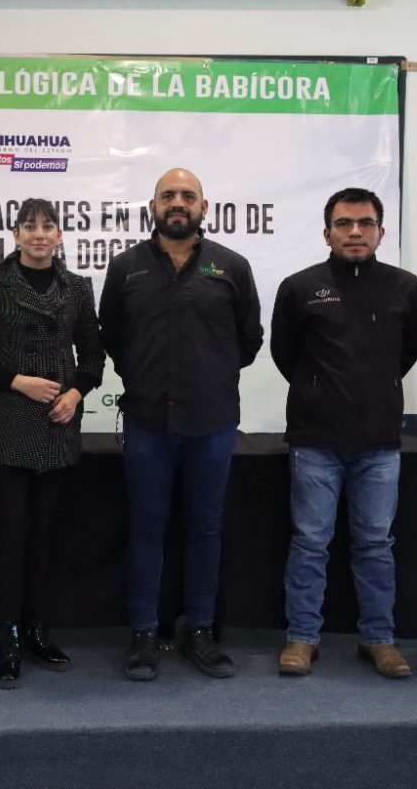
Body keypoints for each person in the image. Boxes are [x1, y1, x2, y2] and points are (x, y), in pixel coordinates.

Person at [98, 167, 264, 681]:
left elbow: (249, 340)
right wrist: (146, 375)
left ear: (203, 207)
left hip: (212, 422)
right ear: (153, 206)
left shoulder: (232, 266)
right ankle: (144, 633)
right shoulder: (126, 267)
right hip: (147, 421)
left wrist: (208, 375)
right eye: (168, 195)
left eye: (187, 195)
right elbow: (112, 335)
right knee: (146, 529)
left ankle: (201, 631)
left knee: (205, 529)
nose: (178, 202)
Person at [270, 188, 417, 679]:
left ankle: (379, 639)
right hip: (315, 440)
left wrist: (374, 390)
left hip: (379, 443)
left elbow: (407, 352)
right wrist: (321, 392)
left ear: (381, 231)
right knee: (310, 543)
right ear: (327, 233)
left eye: (365, 223)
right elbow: (285, 355)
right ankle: (302, 636)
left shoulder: (405, 288)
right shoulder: (299, 288)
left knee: (375, 545)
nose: (355, 231)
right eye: (343, 223)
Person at [0, 198, 106, 688]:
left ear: (59, 236)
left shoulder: (77, 288)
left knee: (45, 538)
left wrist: (76, 395)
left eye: (48, 226)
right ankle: (10, 634)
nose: (39, 234)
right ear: (16, 235)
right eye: (29, 226)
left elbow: (94, 357)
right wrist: (19, 382)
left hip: (57, 425)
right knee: (10, 537)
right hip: (5, 423)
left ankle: (39, 628)